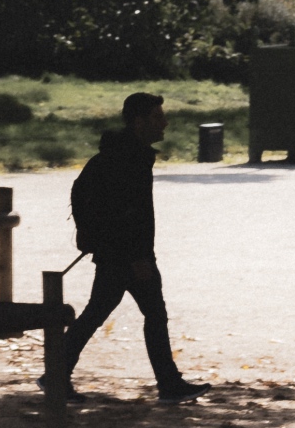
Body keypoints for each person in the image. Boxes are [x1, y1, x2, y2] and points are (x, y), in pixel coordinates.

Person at [59, 93, 206, 404]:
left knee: (100, 313)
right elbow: (129, 213)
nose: (164, 123)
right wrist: (137, 257)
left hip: (119, 252)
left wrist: (84, 230)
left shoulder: (120, 153)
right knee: (149, 315)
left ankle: (56, 375)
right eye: (157, 117)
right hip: (127, 255)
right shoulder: (130, 158)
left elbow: (80, 188)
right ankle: (168, 384)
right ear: (139, 122)